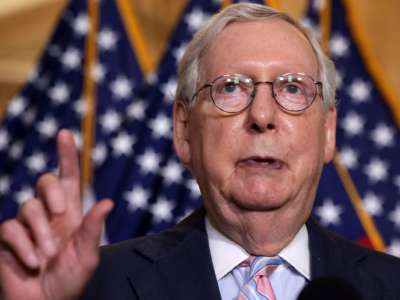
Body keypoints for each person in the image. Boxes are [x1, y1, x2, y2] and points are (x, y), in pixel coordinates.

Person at [0, 3, 399, 300]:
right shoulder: (90, 288)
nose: (261, 115)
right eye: (231, 87)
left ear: (328, 131)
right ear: (183, 130)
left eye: (292, 88)